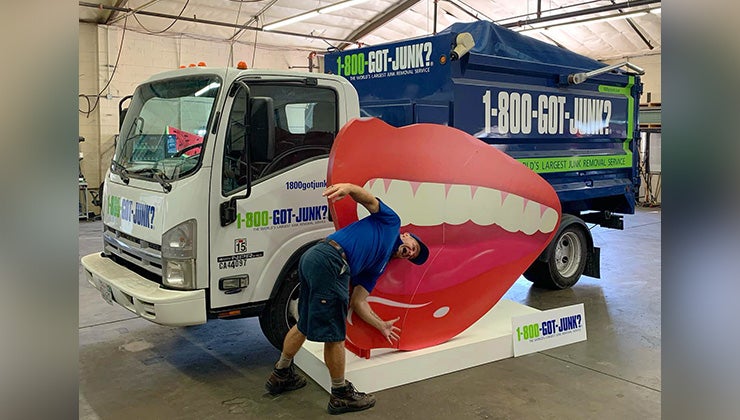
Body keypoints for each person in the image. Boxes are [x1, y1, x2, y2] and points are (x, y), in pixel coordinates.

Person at [265, 182, 429, 415]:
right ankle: (340, 394)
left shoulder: (376, 268)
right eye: (415, 247)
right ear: (407, 236)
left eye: (414, 256)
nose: (412, 252)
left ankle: (280, 374)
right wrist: (350, 189)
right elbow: (370, 200)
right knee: (335, 335)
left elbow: (358, 302)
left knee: (304, 324)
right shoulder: (392, 223)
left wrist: (380, 325)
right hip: (329, 259)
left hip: (315, 259)